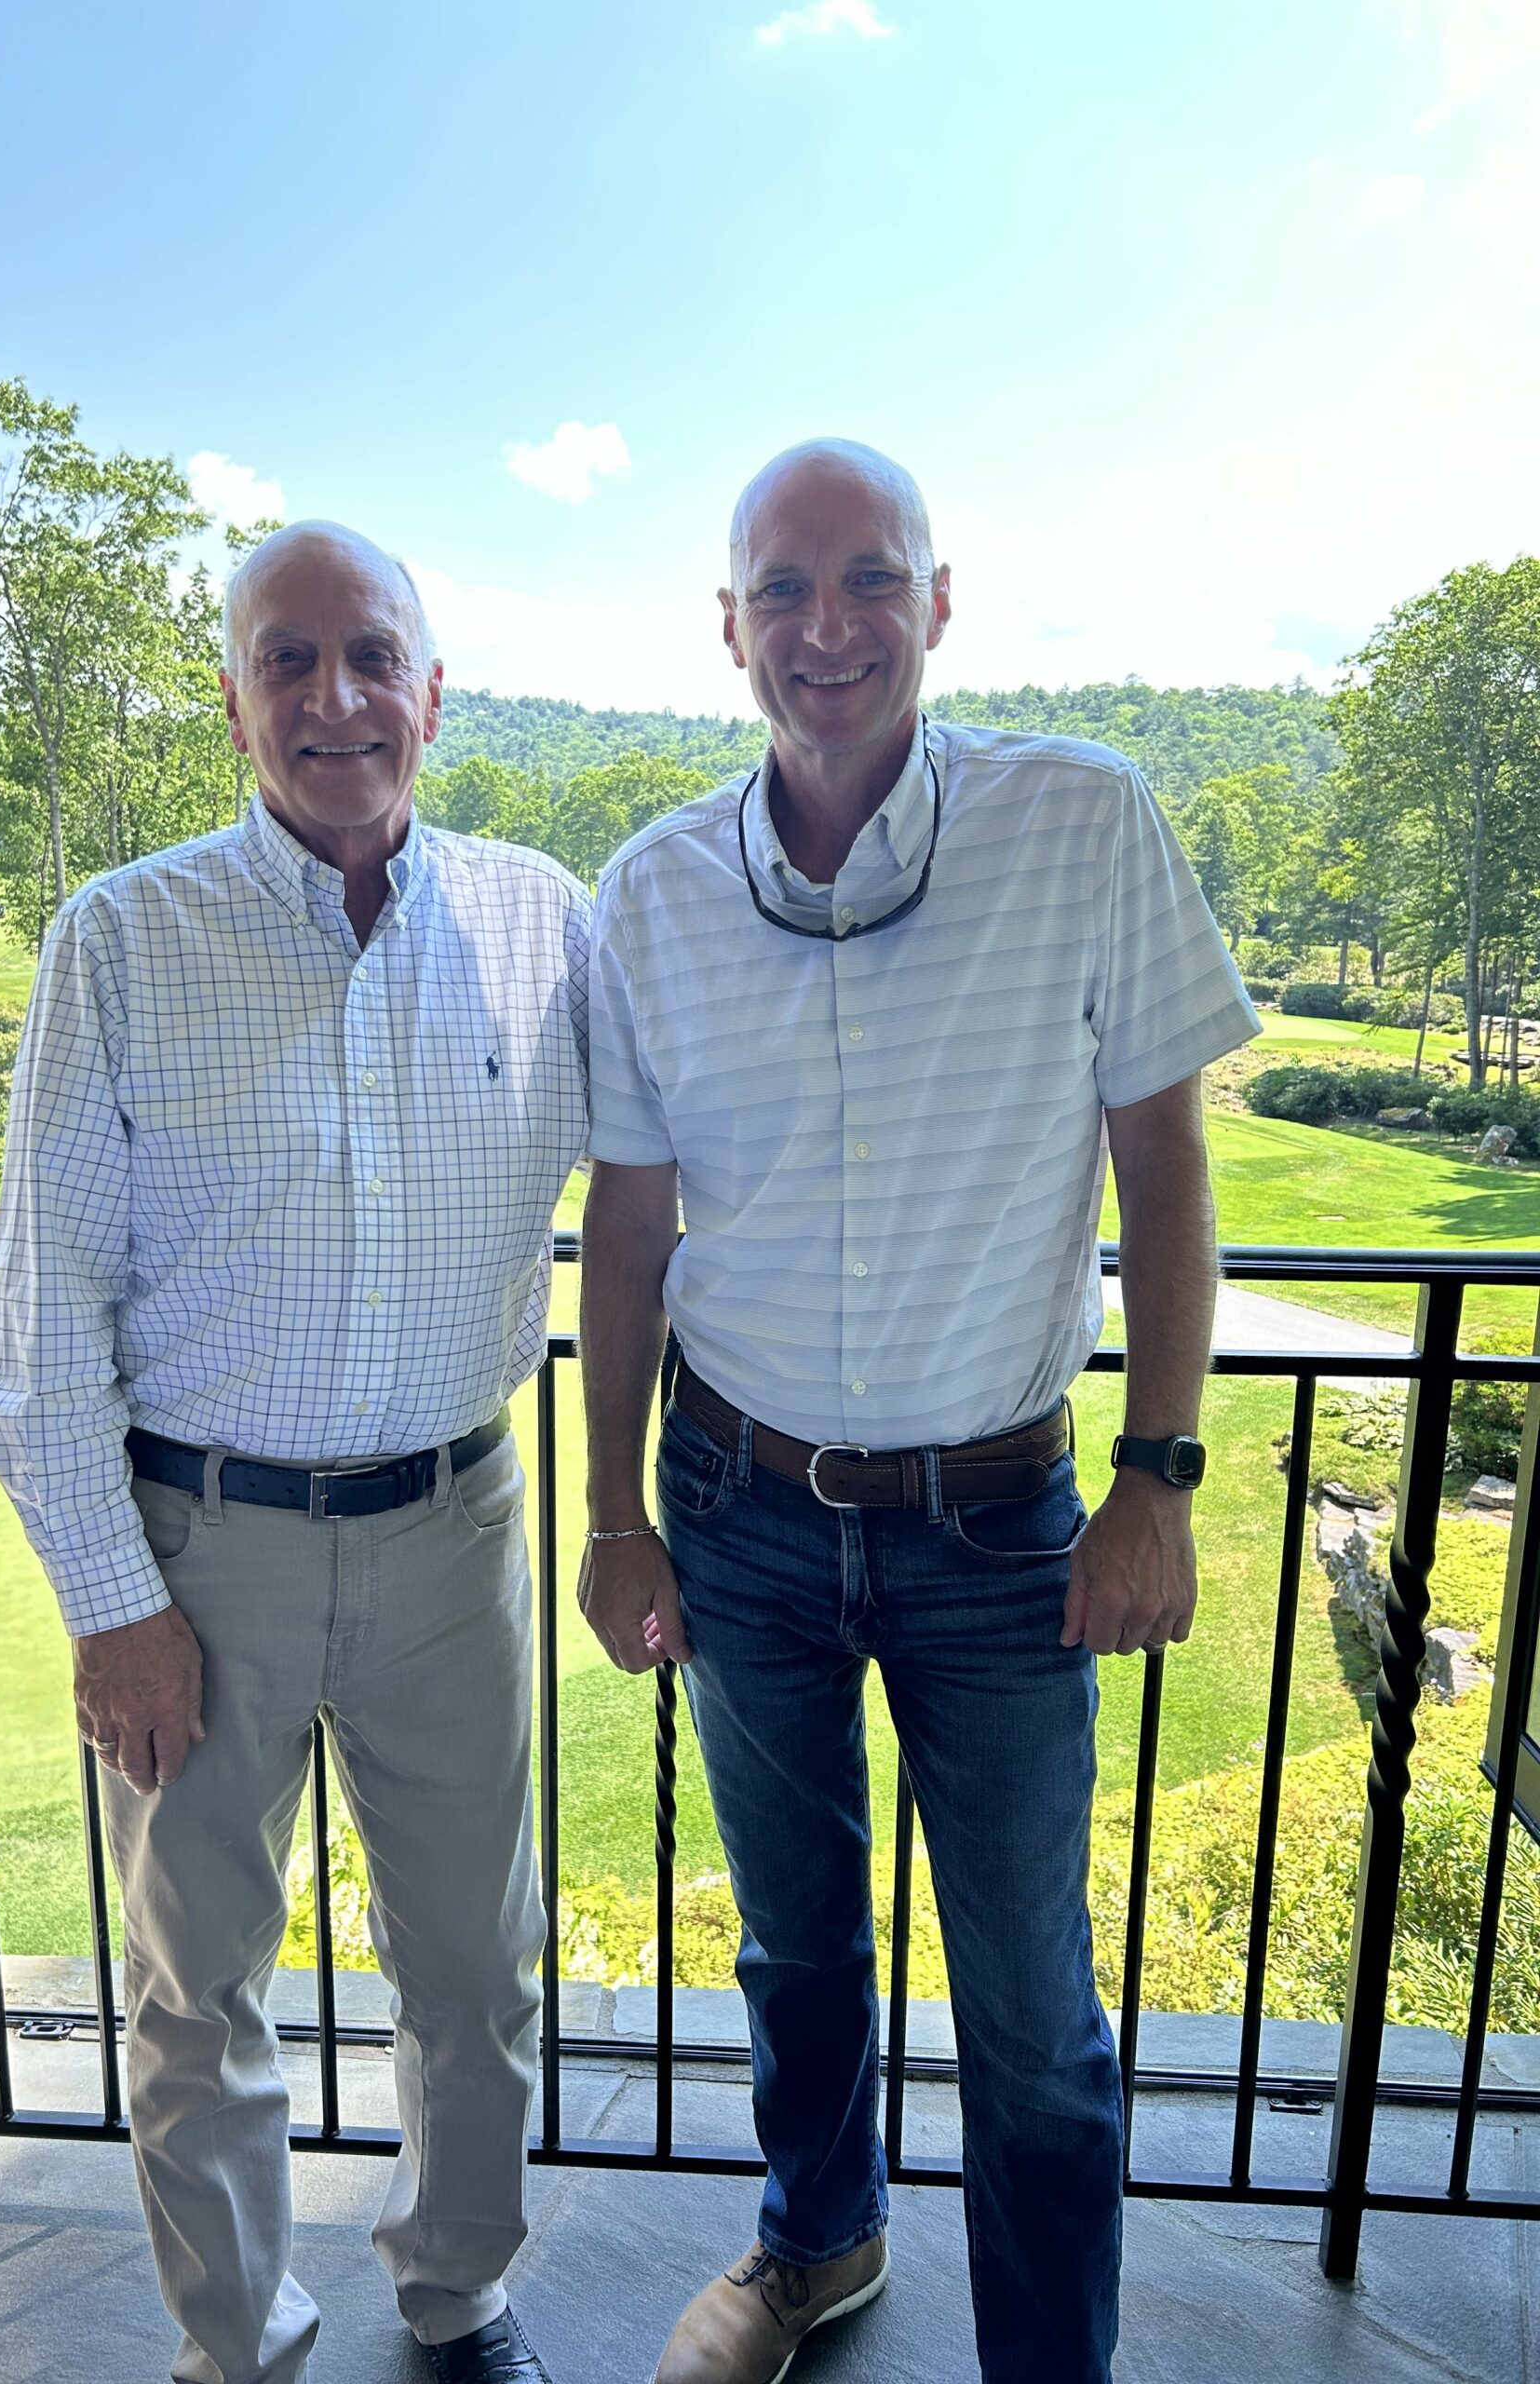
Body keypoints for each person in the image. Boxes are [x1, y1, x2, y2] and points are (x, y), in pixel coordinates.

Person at [576, 441, 1258, 2384]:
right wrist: (619, 1512)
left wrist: (1161, 1472)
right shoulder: (652, 893)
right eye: (780, 592)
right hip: (744, 1503)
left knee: (1035, 2006)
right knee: (796, 1947)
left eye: (870, 579)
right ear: (727, 630)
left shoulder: (1083, 822)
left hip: (1001, 1523)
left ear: (940, 602)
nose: (827, 627)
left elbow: (1169, 1169)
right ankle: (819, 2241)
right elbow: (626, 1225)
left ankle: (1051, 2361)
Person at [0, 522, 588, 2384]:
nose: (334, 699)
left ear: (430, 687)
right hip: (200, 1544)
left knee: (478, 1973)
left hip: (451, 1533)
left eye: (367, 655)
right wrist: (113, 1601)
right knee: (192, 1990)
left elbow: (661, 1196)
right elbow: (38, 1318)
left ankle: (457, 2288)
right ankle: (234, 2337)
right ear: (233, 695)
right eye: (285, 659)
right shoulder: (121, 940)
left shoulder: (541, 923)